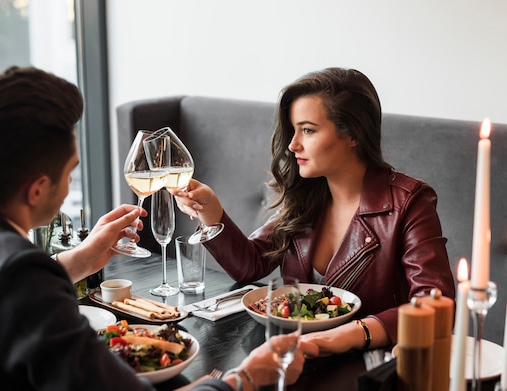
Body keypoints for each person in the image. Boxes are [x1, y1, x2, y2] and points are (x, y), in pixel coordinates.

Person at [0, 66, 313, 391]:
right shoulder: (21, 278)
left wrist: (80, 260)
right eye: (70, 171)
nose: (71, 183)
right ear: (37, 189)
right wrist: (248, 378)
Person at [174, 67, 456, 356]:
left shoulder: (409, 202)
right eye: (294, 130)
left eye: (308, 130)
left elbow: (437, 305)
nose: (292, 144)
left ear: (353, 134)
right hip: (296, 358)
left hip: (370, 367)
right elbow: (250, 265)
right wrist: (210, 208)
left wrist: (346, 336)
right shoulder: (308, 196)